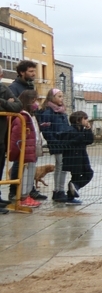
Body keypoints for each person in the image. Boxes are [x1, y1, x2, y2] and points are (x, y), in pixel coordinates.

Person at [8, 61, 47, 202]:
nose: (34, 74)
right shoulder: (14, 87)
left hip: (31, 126)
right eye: (31, 71)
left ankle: (30, 190)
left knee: (31, 161)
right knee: (20, 162)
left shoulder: (31, 86)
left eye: (34, 71)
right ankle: (14, 192)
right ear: (22, 72)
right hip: (21, 128)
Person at [37, 88, 80, 204]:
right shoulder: (48, 112)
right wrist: (54, 141)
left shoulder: (62, 111)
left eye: (62, 96)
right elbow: (46, 129)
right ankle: (58, 191)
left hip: (64, 142)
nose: (62, 99)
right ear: (52, 98)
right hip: (57, 142)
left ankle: (59, 190)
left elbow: (65, 127)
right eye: (59, 96)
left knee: (63, 166)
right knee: (60, 165)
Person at [9, 90, 42, 208]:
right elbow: (16, 135)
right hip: (25, 150)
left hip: (32, 149)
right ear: (28, 101)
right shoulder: (22, 116)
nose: (37, 103)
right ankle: (23, 196)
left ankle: (27, 195)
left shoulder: (31, 115)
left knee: (30, 173)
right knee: (25, 173)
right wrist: (15, 151)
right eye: (35, 100)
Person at [61, 111, 94, 200]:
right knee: (76, 175)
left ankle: (75, 187)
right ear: (78, 120)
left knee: (89, 173)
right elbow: (67, 143)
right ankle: (71, 196)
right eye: (85, 118)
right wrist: (80, 136)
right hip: (73, 157)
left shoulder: (82, 130)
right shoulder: (70, 130)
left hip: (82, 156)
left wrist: (88, 130)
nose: (87, 120)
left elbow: (89, 140)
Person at [0, 81, 22, 210]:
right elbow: (12, 106)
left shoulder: (3, 87)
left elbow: (18, 106)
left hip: (1, 136)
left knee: (0, 167)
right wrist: (8, 104)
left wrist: (2, 102)